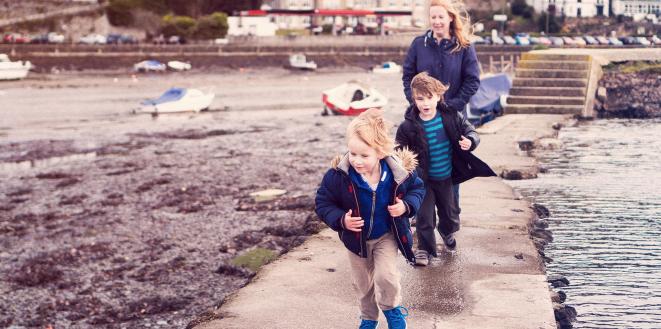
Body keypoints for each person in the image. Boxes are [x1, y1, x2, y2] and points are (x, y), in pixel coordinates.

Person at [315, 109, 425, 329]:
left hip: (387, 235)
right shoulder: (339, 176)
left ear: (381, 153)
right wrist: (341, 220)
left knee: (387, 277)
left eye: (364, 156)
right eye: (352, 153)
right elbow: (323, 202)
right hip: (356, 239)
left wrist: (405, 206)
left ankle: (392, 309)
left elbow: (418, 190)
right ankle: (368, 318)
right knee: (363, 284)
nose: (356, 160)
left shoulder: (398, 174)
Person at [396, 72, 495, 266]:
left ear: (439, 96)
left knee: (450, 214)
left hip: (446, 177)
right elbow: (399, 149)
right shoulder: (408, 126)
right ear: (413, 99)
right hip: (422, 180)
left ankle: (446, 230)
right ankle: (424, 250)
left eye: (429, 98)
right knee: (424, 217)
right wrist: (401, 161)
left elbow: (470, 130)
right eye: (420, 99)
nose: (425, 103)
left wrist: (471, 141)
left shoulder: (450, 116)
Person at [402, 0, 481, 209]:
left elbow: (472, 80)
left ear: (450, 18)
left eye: (441, 17)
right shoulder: (419, 44)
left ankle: (450, 219)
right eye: (433, 17)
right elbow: (408, 76)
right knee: (419, 167)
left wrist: (452, 105)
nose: (437, 21)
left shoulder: (463, 47)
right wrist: (415, 101)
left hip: (451, 119)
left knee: (449, 169)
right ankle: (421, 217)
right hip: (421, 118)